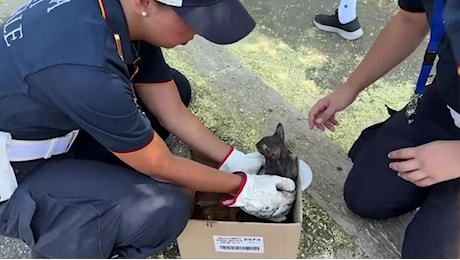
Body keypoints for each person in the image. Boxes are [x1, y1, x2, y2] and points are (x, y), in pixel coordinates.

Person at [0, 0, 297, 258]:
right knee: (165, 208)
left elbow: (171, 109)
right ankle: (63, 239)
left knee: (176, 89)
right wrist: (242, 188)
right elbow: (160, 164)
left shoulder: (117, 13)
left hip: (45, 122)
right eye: (192, 21)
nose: (198, 33)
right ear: (145, 3)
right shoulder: (85, 69)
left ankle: (91, 178)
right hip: (14, 172)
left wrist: (232, 159)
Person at [308, 0, 460, 258]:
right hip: (448, 103)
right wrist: (350, 88)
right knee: (367, 196)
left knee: (429, 253)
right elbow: (410, 20)